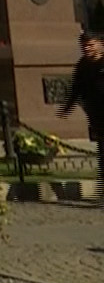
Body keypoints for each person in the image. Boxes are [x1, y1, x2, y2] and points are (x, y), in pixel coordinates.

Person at [58, 31, 104, 207]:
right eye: (84, 45)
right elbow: (76, 88)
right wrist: (66, 108)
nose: (86, 48)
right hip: (97, 117)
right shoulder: (83, 65)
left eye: (90, 45)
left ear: (101, 44)